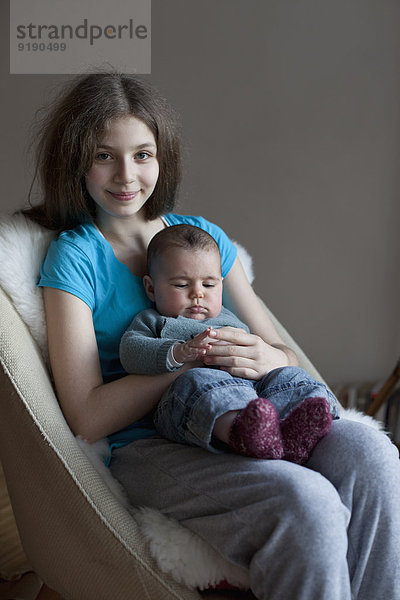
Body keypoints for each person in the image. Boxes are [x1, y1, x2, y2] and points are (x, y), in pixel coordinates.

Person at [23, 71, 400, 600]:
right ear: (75, 160)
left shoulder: (202, 239)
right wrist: (187, 361)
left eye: (143, 153)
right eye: (104, 155)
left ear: (163, 156)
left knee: (373, 451)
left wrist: (260, 355)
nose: (127, 174)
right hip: (152, 446)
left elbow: (285, 353)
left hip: (251, 411)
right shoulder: (76, 257)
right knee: (306, 502)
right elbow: (86, 415)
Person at [120, 223, 338, 464]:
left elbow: (266, 356)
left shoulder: (228, 318)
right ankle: (242, 432)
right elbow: (130, 351)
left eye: (209, 285)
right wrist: (177, 353)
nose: (198, 294)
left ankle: (302, 419)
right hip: (187, 401)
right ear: (151, 288)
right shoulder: (154, 321)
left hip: (252, 391)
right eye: (182, 285)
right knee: (197, 380)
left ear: (222, 284)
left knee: (288, 375)